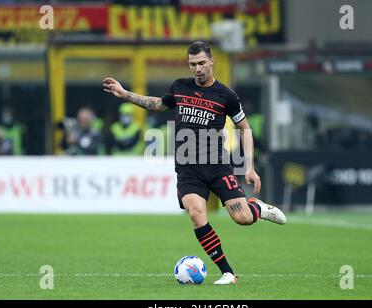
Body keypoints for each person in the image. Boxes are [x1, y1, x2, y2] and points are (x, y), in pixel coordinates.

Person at [103, 41, 286, 285]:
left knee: (242, 219)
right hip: (188, 168)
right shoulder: (179, 87)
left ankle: (258, 209)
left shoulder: (226, 96)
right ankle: (228, 273)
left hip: (217, 165)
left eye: (201, 63)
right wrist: (126, 94)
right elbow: (157, 104)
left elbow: (245, 129)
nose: (197, 69)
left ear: (212, 62)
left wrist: (249, 167)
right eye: (192, 64)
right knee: (197, 214)